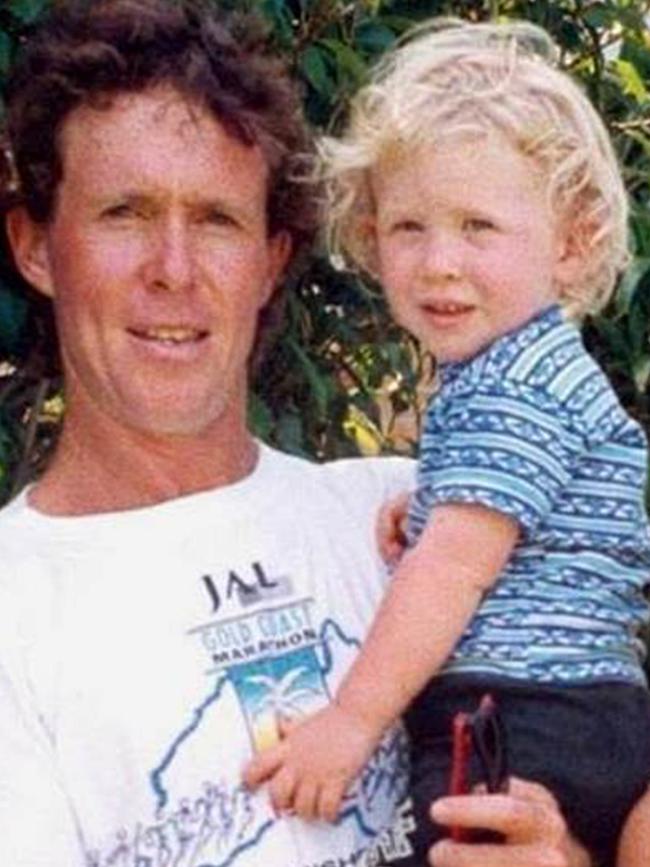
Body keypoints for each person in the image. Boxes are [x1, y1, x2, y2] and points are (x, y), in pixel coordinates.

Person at [0, 2, 591, 865]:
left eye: (216, 220)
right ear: (37, 247)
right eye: (124, 212)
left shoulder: (413, 523)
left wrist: (566, 855)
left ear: (272, 258)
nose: (173, 269)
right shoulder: (17, 609)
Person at [244, 19, 650, 867]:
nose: (439, 263)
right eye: (409, 228)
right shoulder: (537, 374)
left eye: (478, 226)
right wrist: (432, 512)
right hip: (592, 714)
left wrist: (350, 723)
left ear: (570, 244)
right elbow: (528, 537)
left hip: (522, 715)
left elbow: (456, 569)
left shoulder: (510, 386)